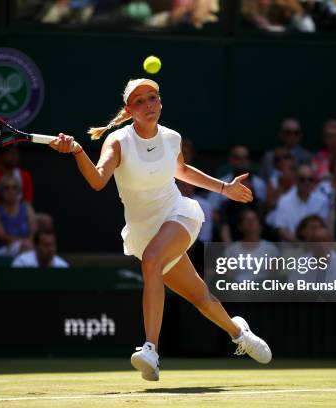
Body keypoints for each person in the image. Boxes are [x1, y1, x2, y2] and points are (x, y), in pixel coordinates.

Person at [49, 78, 271, 381]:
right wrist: (76, 151)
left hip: (178, 215)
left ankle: (150, 350)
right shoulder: (117, 142)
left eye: (153, 98)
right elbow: (98, 180)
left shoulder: (171, 138)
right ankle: (239, 332)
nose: (149, 105)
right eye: (139, 101)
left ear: (161, 102)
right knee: (199, 296)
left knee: (152, 259)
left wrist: (223, 188)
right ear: (129, 111)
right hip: (144, 230)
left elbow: (181, 170)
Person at [269, 164, 329, 242]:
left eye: (310, 179)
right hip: (292, 246)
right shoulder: (284, 201)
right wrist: (298, 243)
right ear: (296, 181)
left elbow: (324, 228)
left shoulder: (322, 201)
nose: (306, 182)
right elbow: (281, 229)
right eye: (302, 179)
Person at [0, 174, 37, 256]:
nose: (11, 191)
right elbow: (1, 236)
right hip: (2, 249)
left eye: (14, 188)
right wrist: (24, 243)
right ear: (1, 191)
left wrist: (28, 242)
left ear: (18, 191)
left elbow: (33, 232)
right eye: (6, 188)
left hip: (28, 246)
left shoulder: (27, 208)